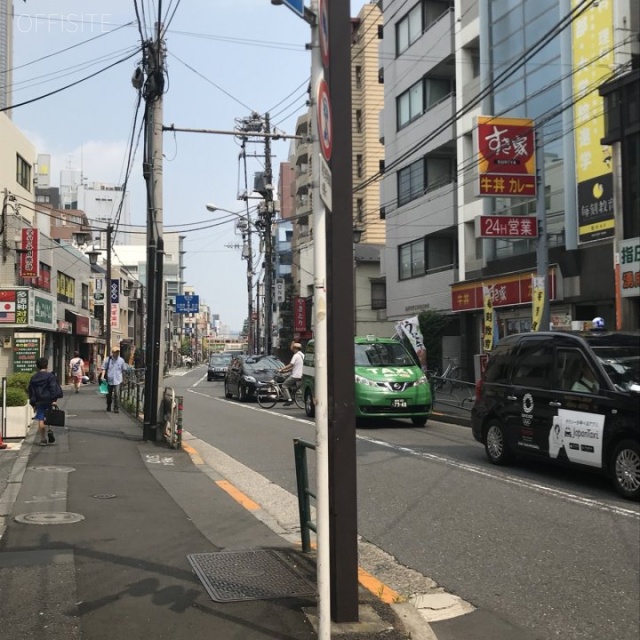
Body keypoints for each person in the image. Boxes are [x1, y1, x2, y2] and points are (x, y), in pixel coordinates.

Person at [28, 357, 63, 446]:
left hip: (39, 401)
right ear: (47, 366)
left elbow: (31, 390)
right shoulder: (50, 376)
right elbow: (53, 388)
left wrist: (33, 403)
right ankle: (49, 430)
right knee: (49, 416)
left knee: (40, 418)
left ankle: (43, 439)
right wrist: (54, 400)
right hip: (49, 400)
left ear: (37, 366)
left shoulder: (34, 377)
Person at [99, 346, 128, 413]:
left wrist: (124, 379)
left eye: (118, 352)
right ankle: (109, 405)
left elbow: (124, 370)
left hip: (118, 380)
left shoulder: (121, 360)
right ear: (113, 352)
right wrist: (102, 376)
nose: (117, 353)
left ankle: (116, 408)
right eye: (116, 352)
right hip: (109, 380)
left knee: (116, 394)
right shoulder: (107, 359)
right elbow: (104, 368)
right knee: (108, 395)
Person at [279, 342, 304, 406]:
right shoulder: (302, 355)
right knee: (293, 386)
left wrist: (283, 369)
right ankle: (292, 396)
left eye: (293, 349)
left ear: (296, 349)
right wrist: (286, 370)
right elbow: (295, 366)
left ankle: (289, 399)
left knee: (284, 385)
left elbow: (291, 364)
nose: (293, 350)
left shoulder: (296, 356)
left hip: (296, 375)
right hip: (301, 375)